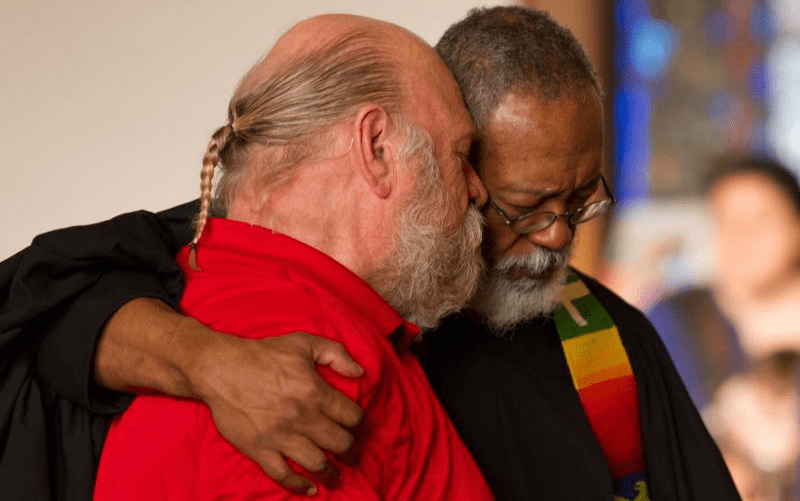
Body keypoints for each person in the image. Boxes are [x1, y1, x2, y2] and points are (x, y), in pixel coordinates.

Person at [0, 6, 740, 501]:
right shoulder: (270, 282)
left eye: (580, 201)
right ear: (446, 166)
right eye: (525, 205)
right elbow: (41, 301)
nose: (556, 235)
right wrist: (209, 361)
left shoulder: (605, 335)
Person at [648, 154, 800, 499]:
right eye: (726, 220)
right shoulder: (673, 320)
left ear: (796, 227)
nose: (742, 236)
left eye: (760, 219)